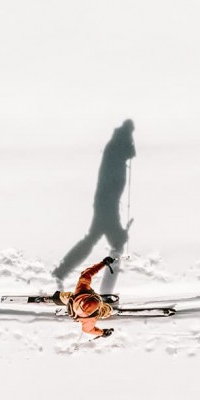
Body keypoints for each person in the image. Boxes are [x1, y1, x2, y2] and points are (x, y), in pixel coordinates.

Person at [53, 119, 136, 292]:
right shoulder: (116, 147)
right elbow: (128, 153)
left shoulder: (115, 145)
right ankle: (105, 292)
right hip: (107, 204)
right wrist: (129, 143)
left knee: (94, 240)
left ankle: (61, 272)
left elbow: (128, 154)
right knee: (117, 243)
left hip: (105, 202)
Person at [53, 257, 119, 338]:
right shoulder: (89, 319)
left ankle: (57, 298)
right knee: (104, 311)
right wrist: (102, 333)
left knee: (67, 296)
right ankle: (108, 310)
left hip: (74, 302)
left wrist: (102, 263)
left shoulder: (81, 289)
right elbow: (87, 330)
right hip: (78, 309)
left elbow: (87, 274)